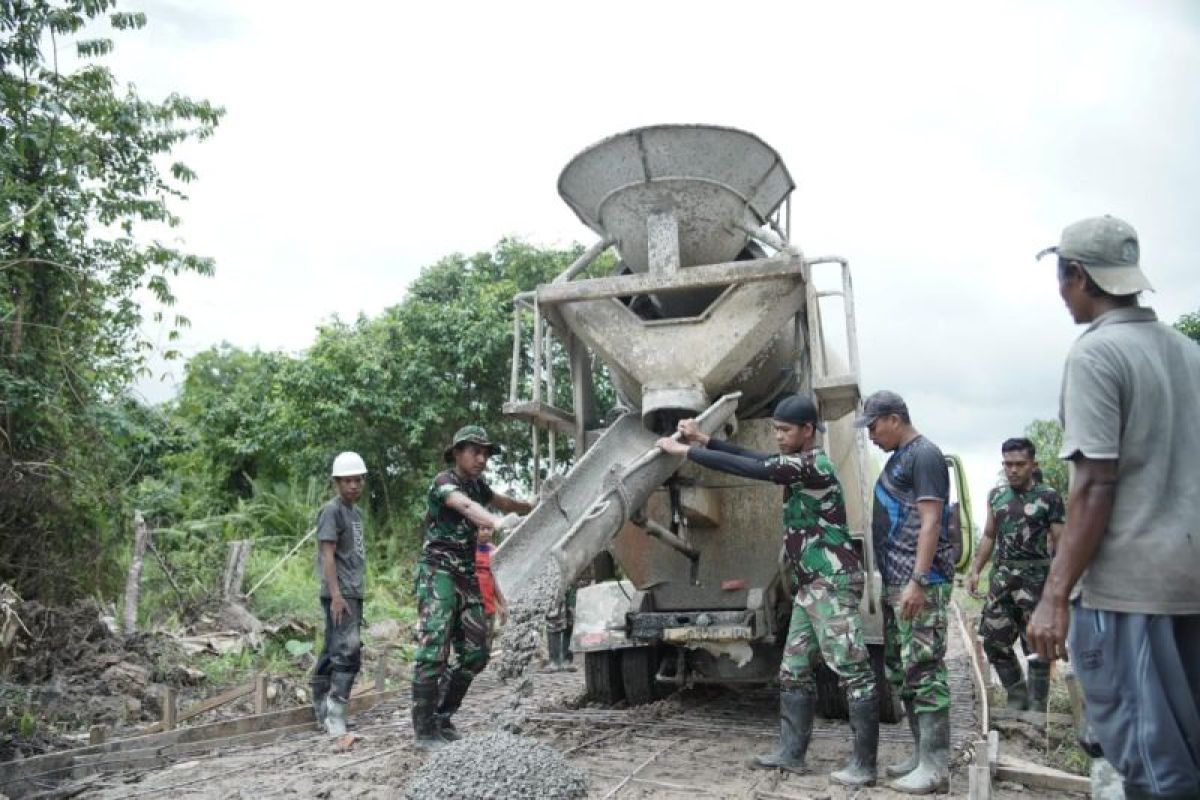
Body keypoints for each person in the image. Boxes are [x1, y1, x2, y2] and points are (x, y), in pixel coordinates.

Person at [1027, 216, 1200, 800]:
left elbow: (1095, 484)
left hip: (1131, 594)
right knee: (1187, 752)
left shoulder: (1097, 356)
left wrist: (1055, 595)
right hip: (1190, 585)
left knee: (1152, 766)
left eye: (1061, 277)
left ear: (1076, 276)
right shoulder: (1188, 354)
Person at [657, 394, 878, 787]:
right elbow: (756, 460)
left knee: (853, 671)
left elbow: (754, 469)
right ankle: (792, 754)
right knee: (793, 669)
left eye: (785, 430)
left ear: (808, 431)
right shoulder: (793, 463)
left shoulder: (813, 465)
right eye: (775, 429)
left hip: (831, 584)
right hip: (810, 586)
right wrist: (704, 440)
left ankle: (864, 764)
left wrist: (685, 452)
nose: (777, 436)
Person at [856, 390, 954, 794]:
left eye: (874, 426)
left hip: (919, 584)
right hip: (898, 582)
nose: (871, 436)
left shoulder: (924, 454)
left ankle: (936, 766)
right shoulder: (899, 457)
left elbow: (931, 523)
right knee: (905, 670)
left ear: (894, 419)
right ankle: (920, 755)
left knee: (925, 669)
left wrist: (918, 579)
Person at [411, 425, 532, 748]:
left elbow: (504, 502)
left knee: (477, 652)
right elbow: (465, 507)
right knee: (434, 649)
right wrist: (494, 522)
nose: (481, 459)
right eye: (475, 451)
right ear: (457, 453)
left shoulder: (478, 485)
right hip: (438, 572)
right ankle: (424, 729)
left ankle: (442, 716)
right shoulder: (444, 484)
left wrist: (535, 506)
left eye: (486, 454)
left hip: (466, 576)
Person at [967, 438, 1064, 712]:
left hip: (1037, 579)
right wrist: (975, 569)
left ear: (1034, 465)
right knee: (994, 639)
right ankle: (1017, 695)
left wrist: (1058, 589)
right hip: (1003, 578)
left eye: (1020, 464)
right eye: (1008, 464)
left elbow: (1061, 543)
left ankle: (1037, 707)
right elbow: (988, 534)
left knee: (1036, 645)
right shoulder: (996, 495)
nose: (1013, 470)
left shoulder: (1049, 497)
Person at [311, 451, 368, 738]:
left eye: (358, 480)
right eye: (348, 481)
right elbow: (327, 556)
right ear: (337, 482)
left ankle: (322, 707)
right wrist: (335, 595)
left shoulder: (355, 514)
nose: (354, 485)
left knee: (333, 647)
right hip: (340, 593)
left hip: (352, 592)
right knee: (348, 651)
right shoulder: (331, 511)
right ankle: (334, 712)